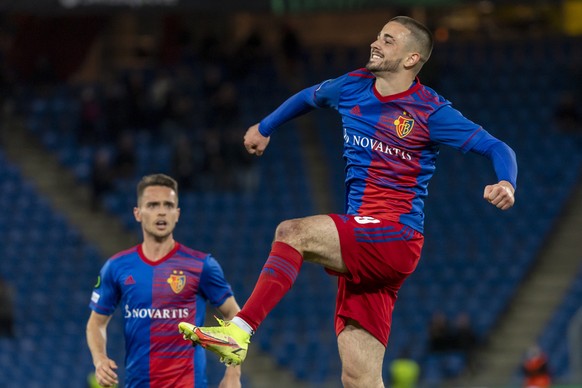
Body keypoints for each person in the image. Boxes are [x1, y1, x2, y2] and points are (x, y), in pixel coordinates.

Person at [179, 16, 517, 387]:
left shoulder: (431, 111)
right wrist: (264, 127)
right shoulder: (352, 85)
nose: (376, 43)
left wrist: (506, 182)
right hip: (365, 244)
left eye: (388, 40)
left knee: (292, 232)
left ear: (410, 58)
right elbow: (308, 97)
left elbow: (496, 146)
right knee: (359, 379)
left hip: (395, 236)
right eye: (378, 36)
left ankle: (239, 332)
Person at [86, 173, 242, 388]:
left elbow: (235, 316)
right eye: (152, 205)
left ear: (177, 214)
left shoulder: (201, 265)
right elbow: (96, 322)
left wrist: (233, 374)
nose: (161, 211)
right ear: (138, 213)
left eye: (168, 205)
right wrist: (99, 359)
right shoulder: (116, 267)